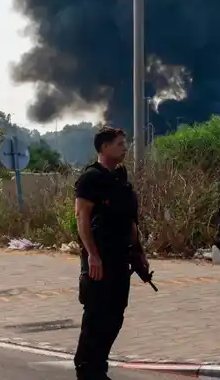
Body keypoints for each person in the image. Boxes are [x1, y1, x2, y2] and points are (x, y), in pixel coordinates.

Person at [72, 126, 148, 380]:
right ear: (104, 147)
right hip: (99, 260)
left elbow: (131, 222)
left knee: (115, 316)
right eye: (119, 143)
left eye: (124, 143)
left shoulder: (121, 180)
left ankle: (98, 366)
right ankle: (86, 368)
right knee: (96, 315)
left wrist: (140, 253)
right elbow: (82, 218)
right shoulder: (90, 179)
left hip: (120, 259)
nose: (124, 148)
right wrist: (92, 255)